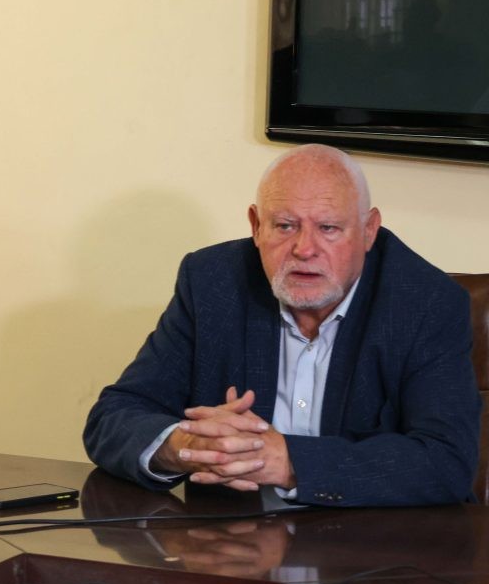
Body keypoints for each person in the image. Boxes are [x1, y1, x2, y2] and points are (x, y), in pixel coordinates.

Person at [84, 143, 480, 506]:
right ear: (256, 226)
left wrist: (288, 461)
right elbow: (113, 417)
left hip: (372, 547)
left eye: (328, 228)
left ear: (368, 231)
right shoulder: (211, 283)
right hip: (231, 543)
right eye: (285, 225)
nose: (304, 249)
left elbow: (446, 462)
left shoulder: (426, 303)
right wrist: (186, 446)